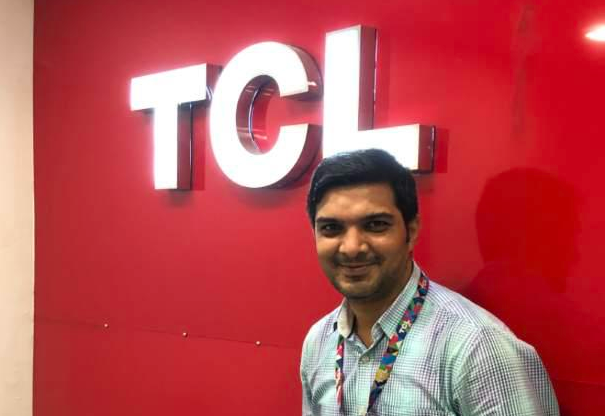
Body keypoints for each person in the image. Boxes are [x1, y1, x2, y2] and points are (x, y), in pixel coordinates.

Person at [300, 149, 559, 416]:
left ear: (411, 231)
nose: (352, 247)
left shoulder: (478, 346)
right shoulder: (319, 342)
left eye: (375, 224)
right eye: (331, 228)